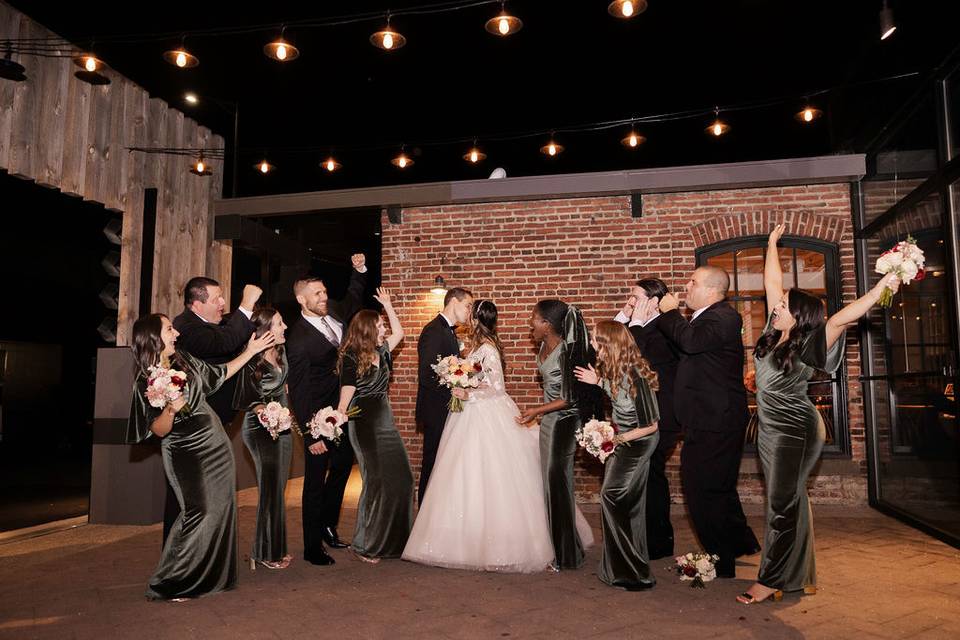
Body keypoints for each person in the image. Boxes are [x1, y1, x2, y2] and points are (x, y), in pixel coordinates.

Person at [737, 225, 901, 604]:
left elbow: (843, 318)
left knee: (782, 502)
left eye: (781, 306)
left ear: (797, 316)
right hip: (770, 429)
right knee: (790, 498)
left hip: (795, 430)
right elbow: (771, 282)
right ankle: (796, 573)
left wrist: (880, 289)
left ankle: (771, 579)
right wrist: (771, 245)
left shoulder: (810, 341)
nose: (773, 305)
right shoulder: (774, 331)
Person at [126, 313, 274, 600]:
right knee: (198, 512)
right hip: (184, 452)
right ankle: (169, 581)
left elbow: (221, 373)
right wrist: (170, 408)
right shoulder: (145, 381)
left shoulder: (184, 361)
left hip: (216, 445)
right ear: (153, 337)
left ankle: (210, 577)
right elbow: (156, 430)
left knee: (222, 508)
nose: (176, 334)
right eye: (170, 329)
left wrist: (251, 351)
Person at [403, 300, 555, 572]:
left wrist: (466, 392)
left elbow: (497, 388)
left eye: (470, 316)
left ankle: (495, 545)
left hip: (485, 414)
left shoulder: (488, 350)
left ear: (475, 320)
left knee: (487, 475)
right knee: (460, 475)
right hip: (466, 416)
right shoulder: (474, 347)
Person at [638, 265, 760, 578]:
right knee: (718, 488)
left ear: (711, 289)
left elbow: (689, 342)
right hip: (707, 418)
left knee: (702, 491)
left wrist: (667, 312)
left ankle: (720, 561)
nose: (686, 287)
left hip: (715, 420)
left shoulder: (723, 316)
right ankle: (740, 544)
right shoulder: (703, 318)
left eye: (692, 282)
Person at [165, 279, 261, 542]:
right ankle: (178, 558)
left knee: (208, 495)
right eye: (217, 298)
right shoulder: (187, 327)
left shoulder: (209, 325)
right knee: (188, 497)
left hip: (213, 425)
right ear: (197, 304)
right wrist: (246, 304)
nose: (223, 303)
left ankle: (203, 556)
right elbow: (224, 343)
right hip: (193, 430)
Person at [287, 254, 368, 565]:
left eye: (323, 292)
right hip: (318, 418)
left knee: (343, 467)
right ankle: (311, 547)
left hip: (343, 411)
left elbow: (353, 298)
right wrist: (312, 434)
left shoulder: (334, 312)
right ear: (301, 298)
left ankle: (328, 526)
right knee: (314, 482)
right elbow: (300, 390)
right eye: (317, 294)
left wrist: (358, 270)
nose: (324, 297)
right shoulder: (298, 339)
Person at [575, 320, 660, 590]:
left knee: (612, 496)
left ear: (608, 344)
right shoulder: (615, 369)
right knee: (627, 503)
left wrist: (616, 438)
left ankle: (632, 571)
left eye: (595, 340)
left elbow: (651, 425)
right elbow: (619, 396)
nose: (591, 344)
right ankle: (625, 569)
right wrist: (598, 381)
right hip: (624, 441)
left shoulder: (635, 375)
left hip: (638, 442)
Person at [336, 288, 414, 563]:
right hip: (364, 421)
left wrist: (389, 306)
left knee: (402, 478)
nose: (384, 328)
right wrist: (339, 414)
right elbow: (347, 388)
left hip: (386, 420)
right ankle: (365, 544)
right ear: (369, 329)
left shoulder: (383, 351)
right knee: (376, 481)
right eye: (380, 325)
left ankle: (396, 541)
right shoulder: (351, 357)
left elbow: (400, 334)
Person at [517, 299, 591, 570]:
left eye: (534, 319)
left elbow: (570, 398)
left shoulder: (565, 352)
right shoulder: (544, 345)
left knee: (557, 485)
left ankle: (567, 555)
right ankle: (563, 548)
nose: (530, 324)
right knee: (550, 485)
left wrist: (537, 409)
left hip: (564, 423)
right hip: (549, 421)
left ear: (547, 325)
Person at [614, 278, 681, 559]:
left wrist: (636, 323)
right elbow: (610, 345)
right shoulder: (637, 326)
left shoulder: (664, 330)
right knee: (642, 477)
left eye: (635, 298)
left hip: (660, 417)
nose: (630, 302)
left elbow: (641, 360)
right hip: (640, 416)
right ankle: (643, 535)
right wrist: (625, 316)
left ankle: (658, 542)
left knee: (653, 478)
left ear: (654, 302)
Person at [232, 307, 293, 570]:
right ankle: (265, 552)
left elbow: (283, 386)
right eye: (280, 323)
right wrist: (263, 410)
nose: (285, 327)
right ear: (266, 330)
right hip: (260, 429)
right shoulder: (251, 358)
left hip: (284, 427)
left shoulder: (281, 352)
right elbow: (243, 395)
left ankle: (275, 547)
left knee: (278, 488)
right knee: (269, 489)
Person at [415, 287, 474, 505]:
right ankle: (424, 512)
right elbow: (427, 374)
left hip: (446, 407)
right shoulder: (433, 330)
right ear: (453, 302)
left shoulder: (449, 331)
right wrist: (455, 388)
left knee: (443, 464)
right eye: (468, 305)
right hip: (435, 409)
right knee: (432, 462)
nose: (470, 311)